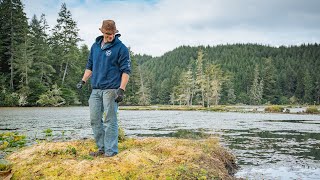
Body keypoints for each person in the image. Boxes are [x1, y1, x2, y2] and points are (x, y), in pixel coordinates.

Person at [77, 19, 131, 157]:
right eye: (107, 34)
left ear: (115, 32)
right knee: (95, 119)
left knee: (110, 120)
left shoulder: (121, 48)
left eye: (112, 34)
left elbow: (126, 71)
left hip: (111, 89)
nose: (110, 36)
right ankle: (101, 148)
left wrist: (121, 89)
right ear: (102, 32)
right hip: (96, 89)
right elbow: (90, 66)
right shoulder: (95, 46)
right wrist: (83, 81)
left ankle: (111, 151)